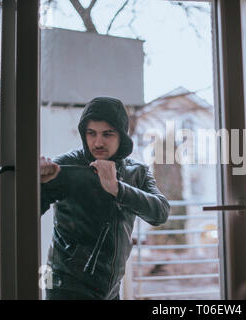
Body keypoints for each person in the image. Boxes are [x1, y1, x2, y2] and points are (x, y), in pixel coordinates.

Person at [40, 96, 170, 300]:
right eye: (91, 133)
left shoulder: (137, 171)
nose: (98, 142)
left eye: (107, 134)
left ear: (122, 137)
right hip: (66, 285)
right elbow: (25, 214)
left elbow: (161, 212)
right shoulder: (66, 166)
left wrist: (118, 188)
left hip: (110, 288)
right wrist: (38, 184)